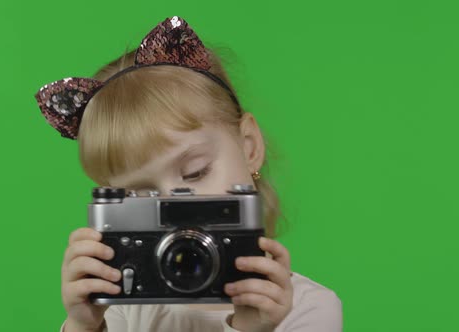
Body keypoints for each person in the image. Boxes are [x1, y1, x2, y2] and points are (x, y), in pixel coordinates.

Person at [35, 16, 342, 332]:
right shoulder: (124, 300)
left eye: (196, 172)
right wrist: (83, 325)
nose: (174, 205)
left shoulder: (306, 309)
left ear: (249, 146)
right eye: (140, 195)